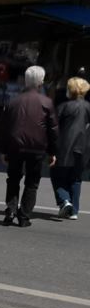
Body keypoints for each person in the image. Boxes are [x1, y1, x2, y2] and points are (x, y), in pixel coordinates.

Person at [0, 65, 58, 227]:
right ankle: (24, 216)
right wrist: (53, 152)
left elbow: (3, 127)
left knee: (13, 178)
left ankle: (10, 210)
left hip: (15, 146)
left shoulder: (13, 102)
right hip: (37, 147)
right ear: (41, 82)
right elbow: (53, 130)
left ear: (25, 81)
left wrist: (3, 150)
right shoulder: (46, 102)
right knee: (32, 182)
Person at [50, 77, 90, 220]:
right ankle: (74, 210)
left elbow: (53, 128)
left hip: (64, 147)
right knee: (76, 178)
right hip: (84, 148)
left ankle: (64, 201)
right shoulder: (88, 106)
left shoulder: (64, 106)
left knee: (57, 174)